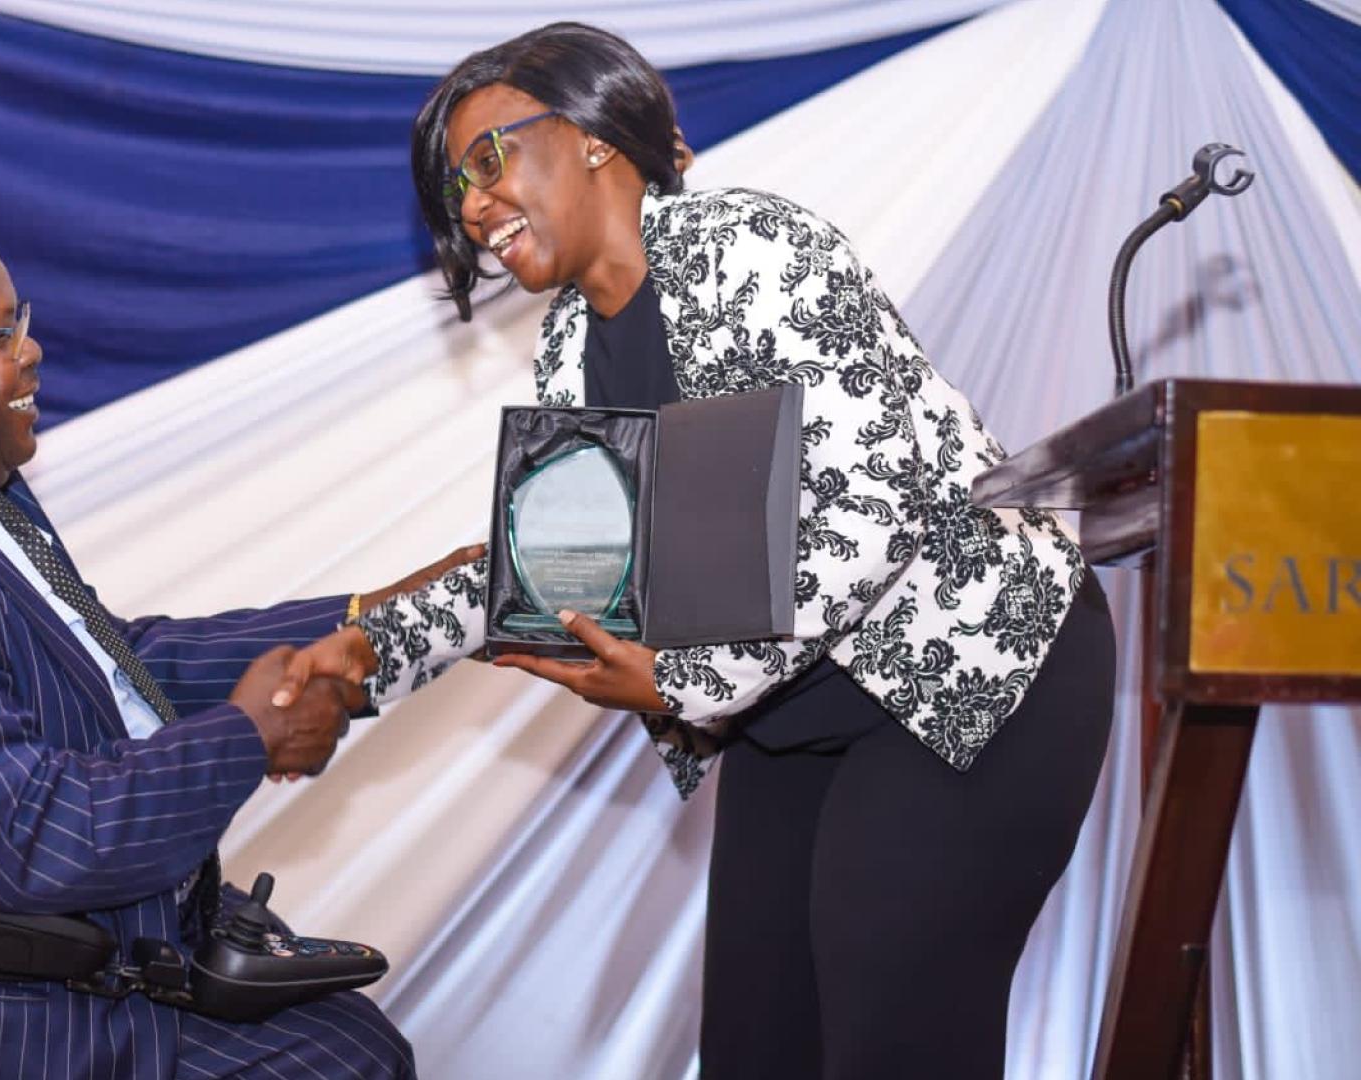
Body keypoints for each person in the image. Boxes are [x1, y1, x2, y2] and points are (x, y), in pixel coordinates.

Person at [278, 22, 1117, 1080]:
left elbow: (871, 508)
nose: (475, 207)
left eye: (488, 160)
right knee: (755, 1049)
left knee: (895, 1041)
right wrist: (369, 659)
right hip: (792, 711)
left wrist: (680, 679)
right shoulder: (573, 349)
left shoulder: (753, 245)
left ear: (590, 135)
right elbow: (562, 566)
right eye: (456, 193)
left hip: (977, 676)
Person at [0, 215, 468, 1079]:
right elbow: (15, 836)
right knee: (347, 1062)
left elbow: (112, 670)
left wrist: (383, 619)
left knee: (352, 1043)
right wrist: (250, 737)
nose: (29, 353)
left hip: (48, 956)